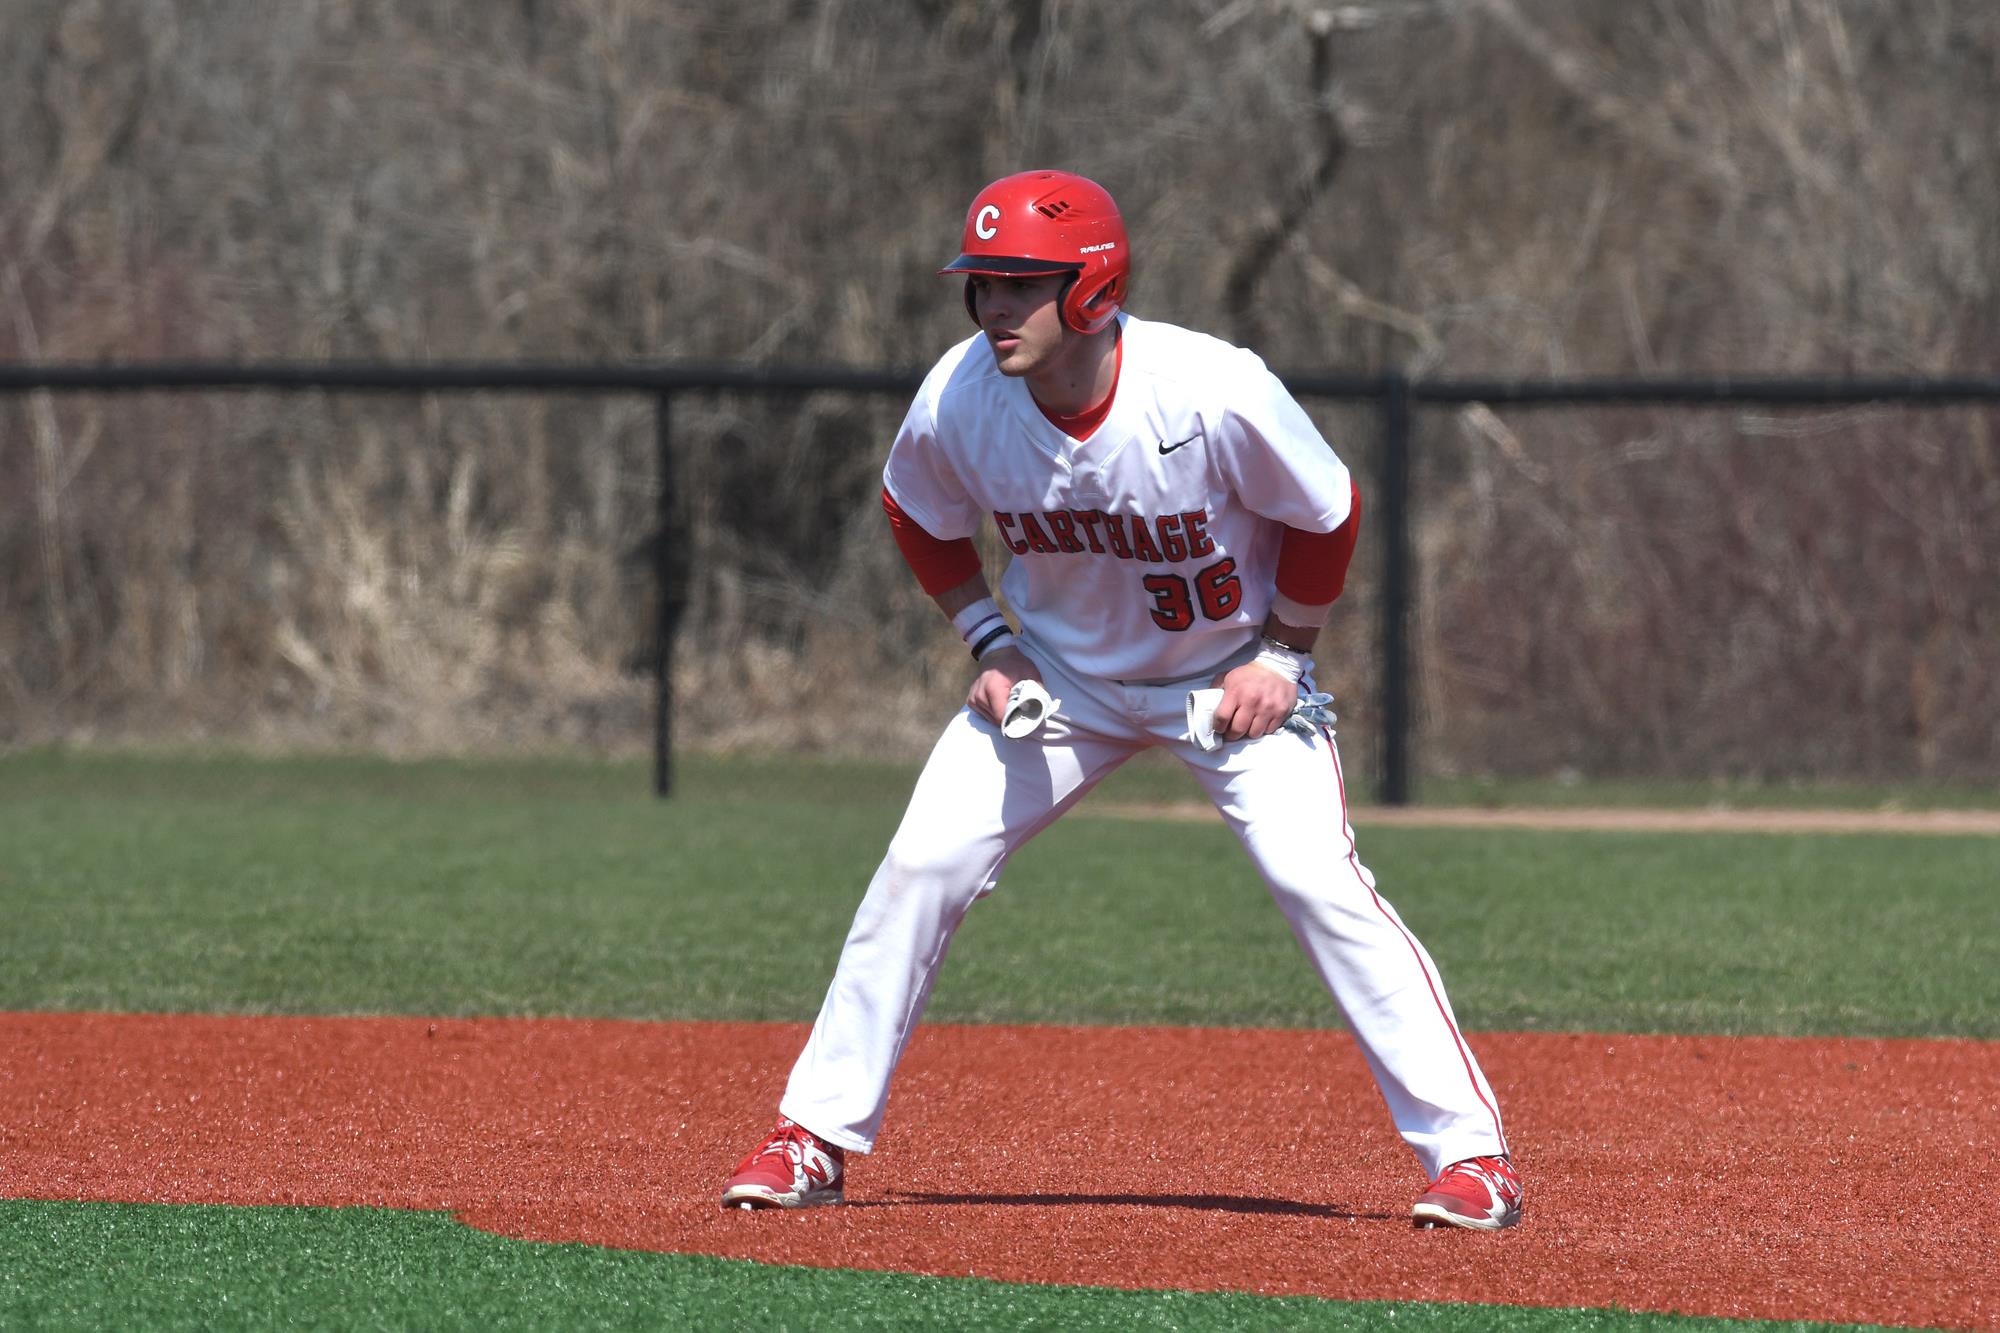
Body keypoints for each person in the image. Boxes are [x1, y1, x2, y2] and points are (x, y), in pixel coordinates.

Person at [720, 169, 1520, 1231]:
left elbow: (1329, 510)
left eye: (1018, 284)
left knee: (1315, 878)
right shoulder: (960, 396)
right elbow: (913, 508)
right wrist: (988, 638)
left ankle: (1472, 1157)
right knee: (920, 859)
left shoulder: (1209, 387)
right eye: (982, 285)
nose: (991, 307)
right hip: (1063, 683)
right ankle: (811, 1136)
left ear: (1091, 289)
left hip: (1226, 680)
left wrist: (1282, 654)